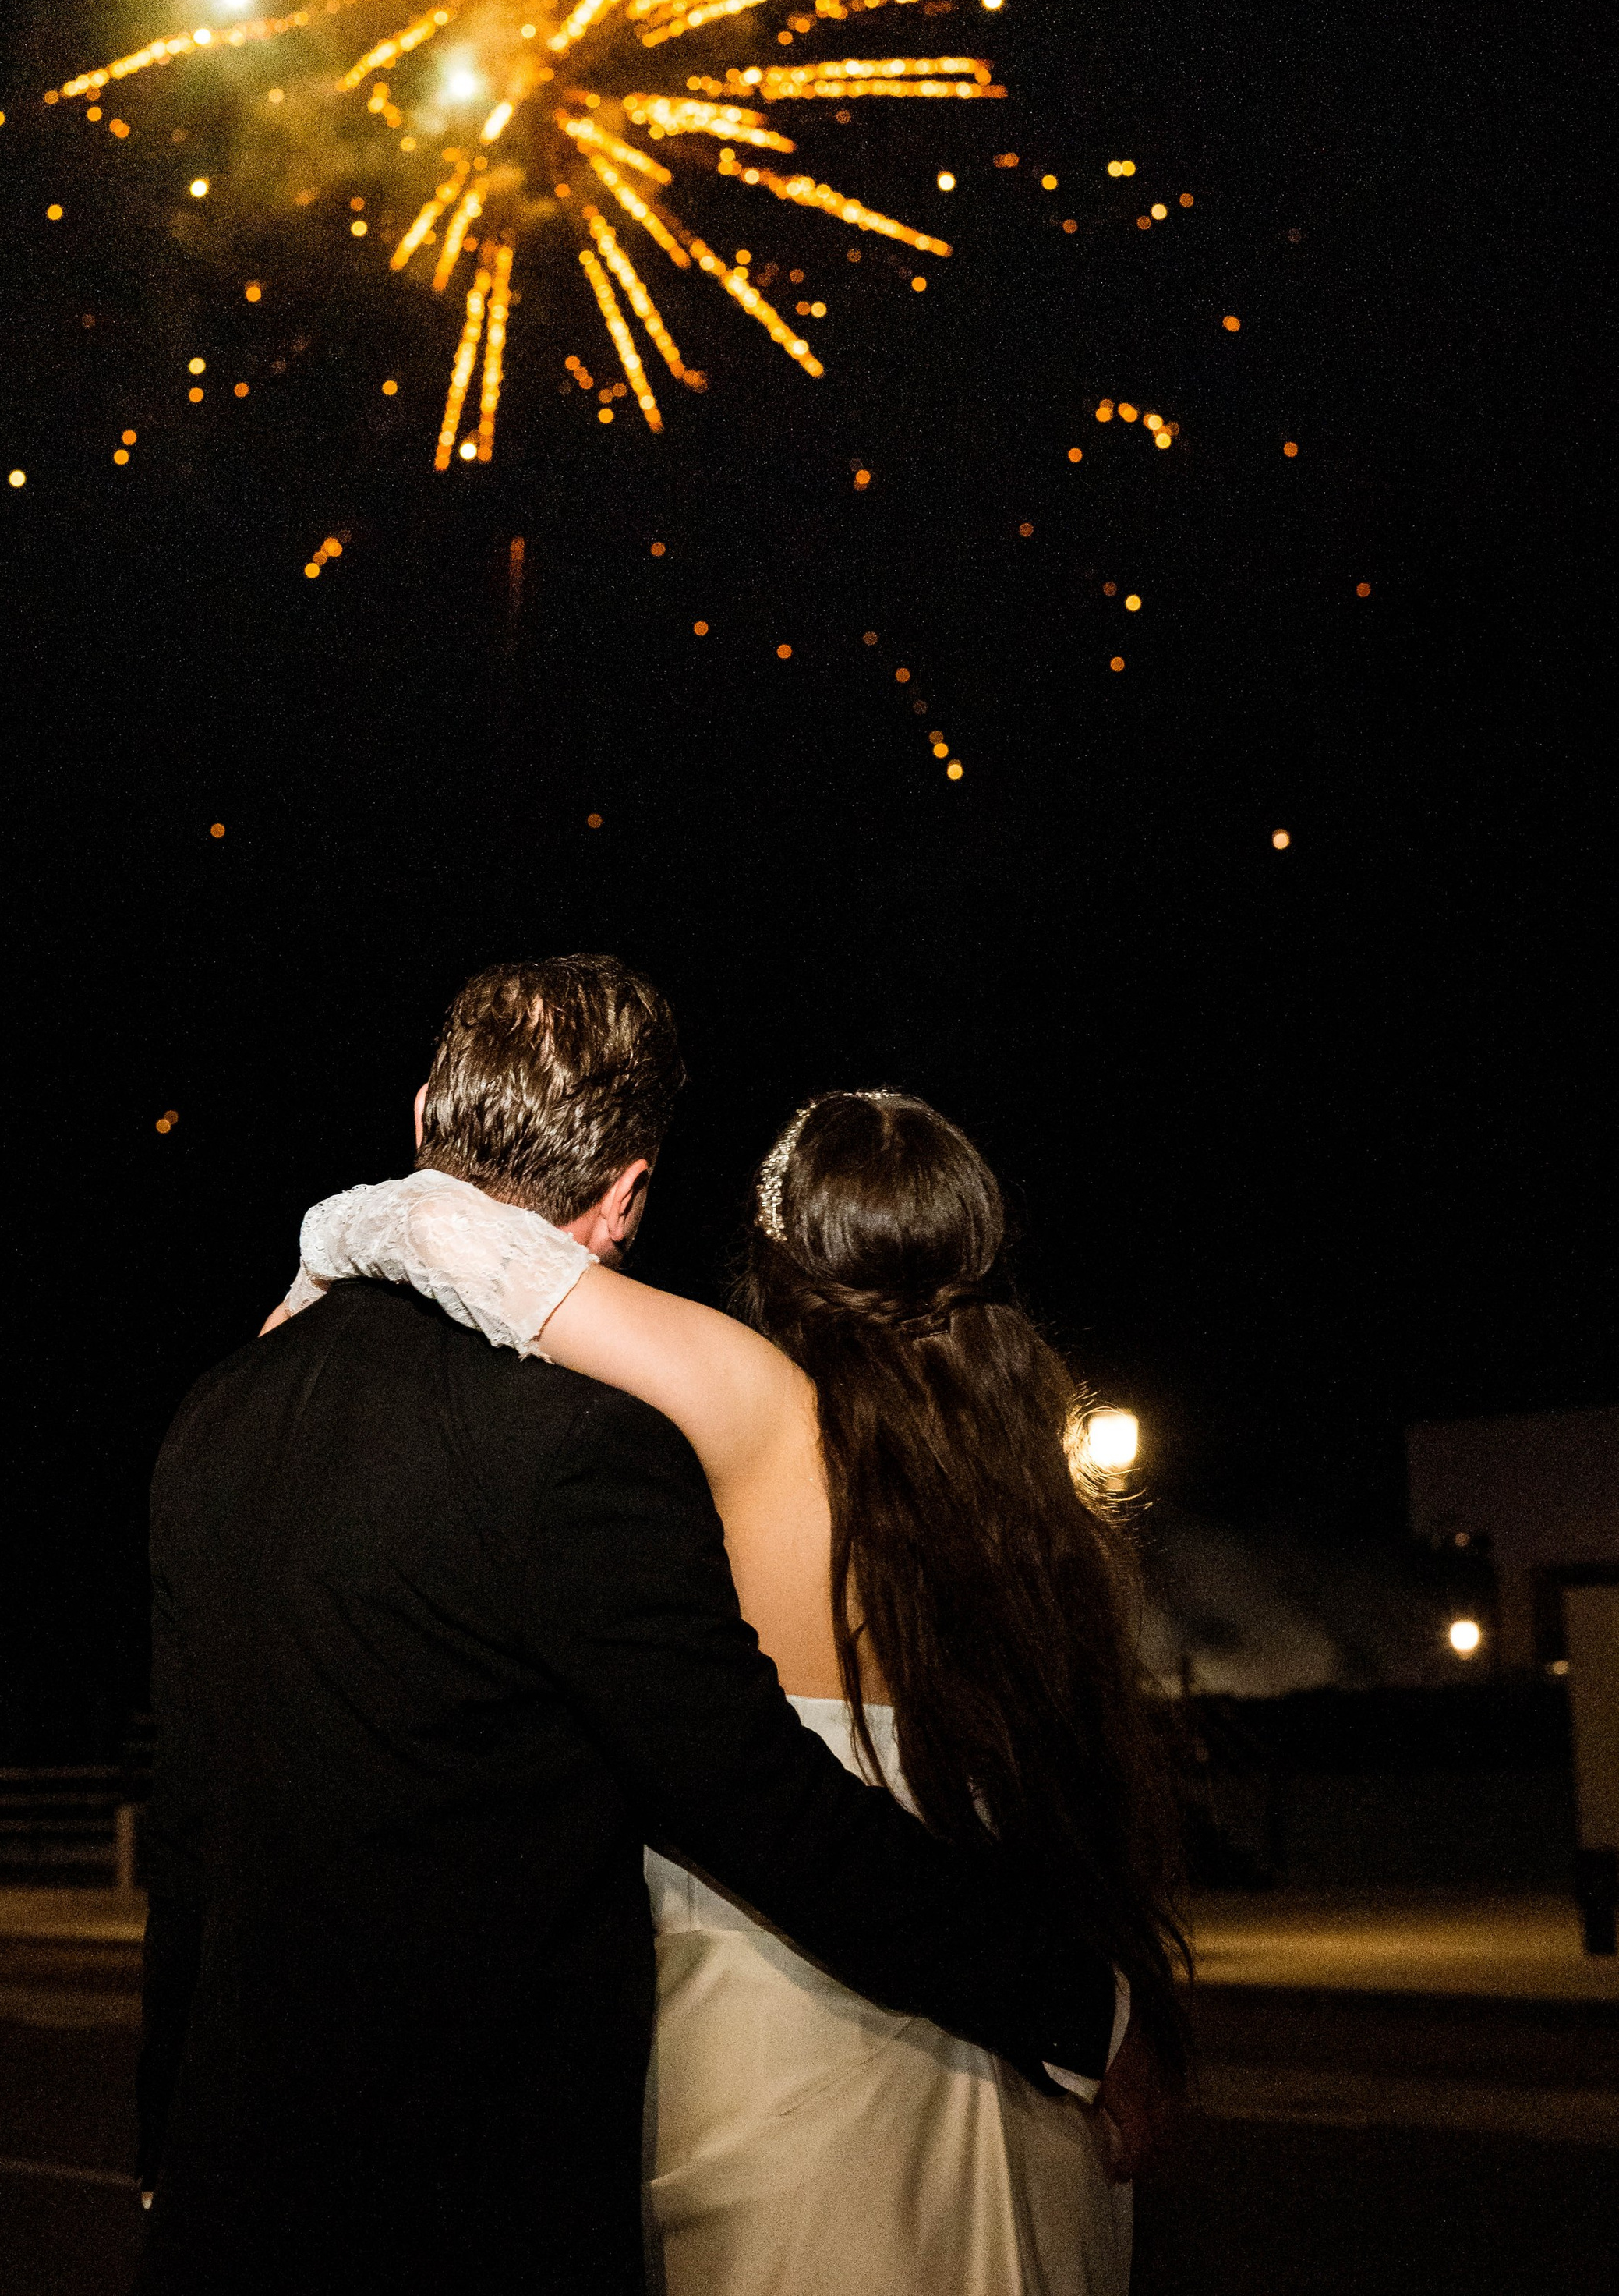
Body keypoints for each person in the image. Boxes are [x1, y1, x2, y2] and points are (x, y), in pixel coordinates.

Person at [136, 957, 1141, 2296]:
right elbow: (754, 1800)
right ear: (626, 1193)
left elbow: (192, 1822)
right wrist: (1090, 2013)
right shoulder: (591, 1447)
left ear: (427, 1109)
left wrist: (163, 2133)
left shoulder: (214, 1415)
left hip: (237, 2195)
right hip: (481, 2208)